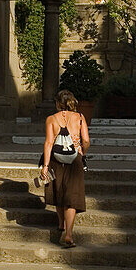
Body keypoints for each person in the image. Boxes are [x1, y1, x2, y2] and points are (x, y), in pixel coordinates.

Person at [42, 89, 90, 247]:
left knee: (58, 191)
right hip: (74, 159)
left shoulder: (51, 119)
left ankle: (61, 224)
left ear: (57, 103)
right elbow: (86, 140)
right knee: (72, 195)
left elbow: (49, 143)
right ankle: (68, 234)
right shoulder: (80, 118)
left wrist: (45, 166)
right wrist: (82, 151)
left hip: (56, 159)